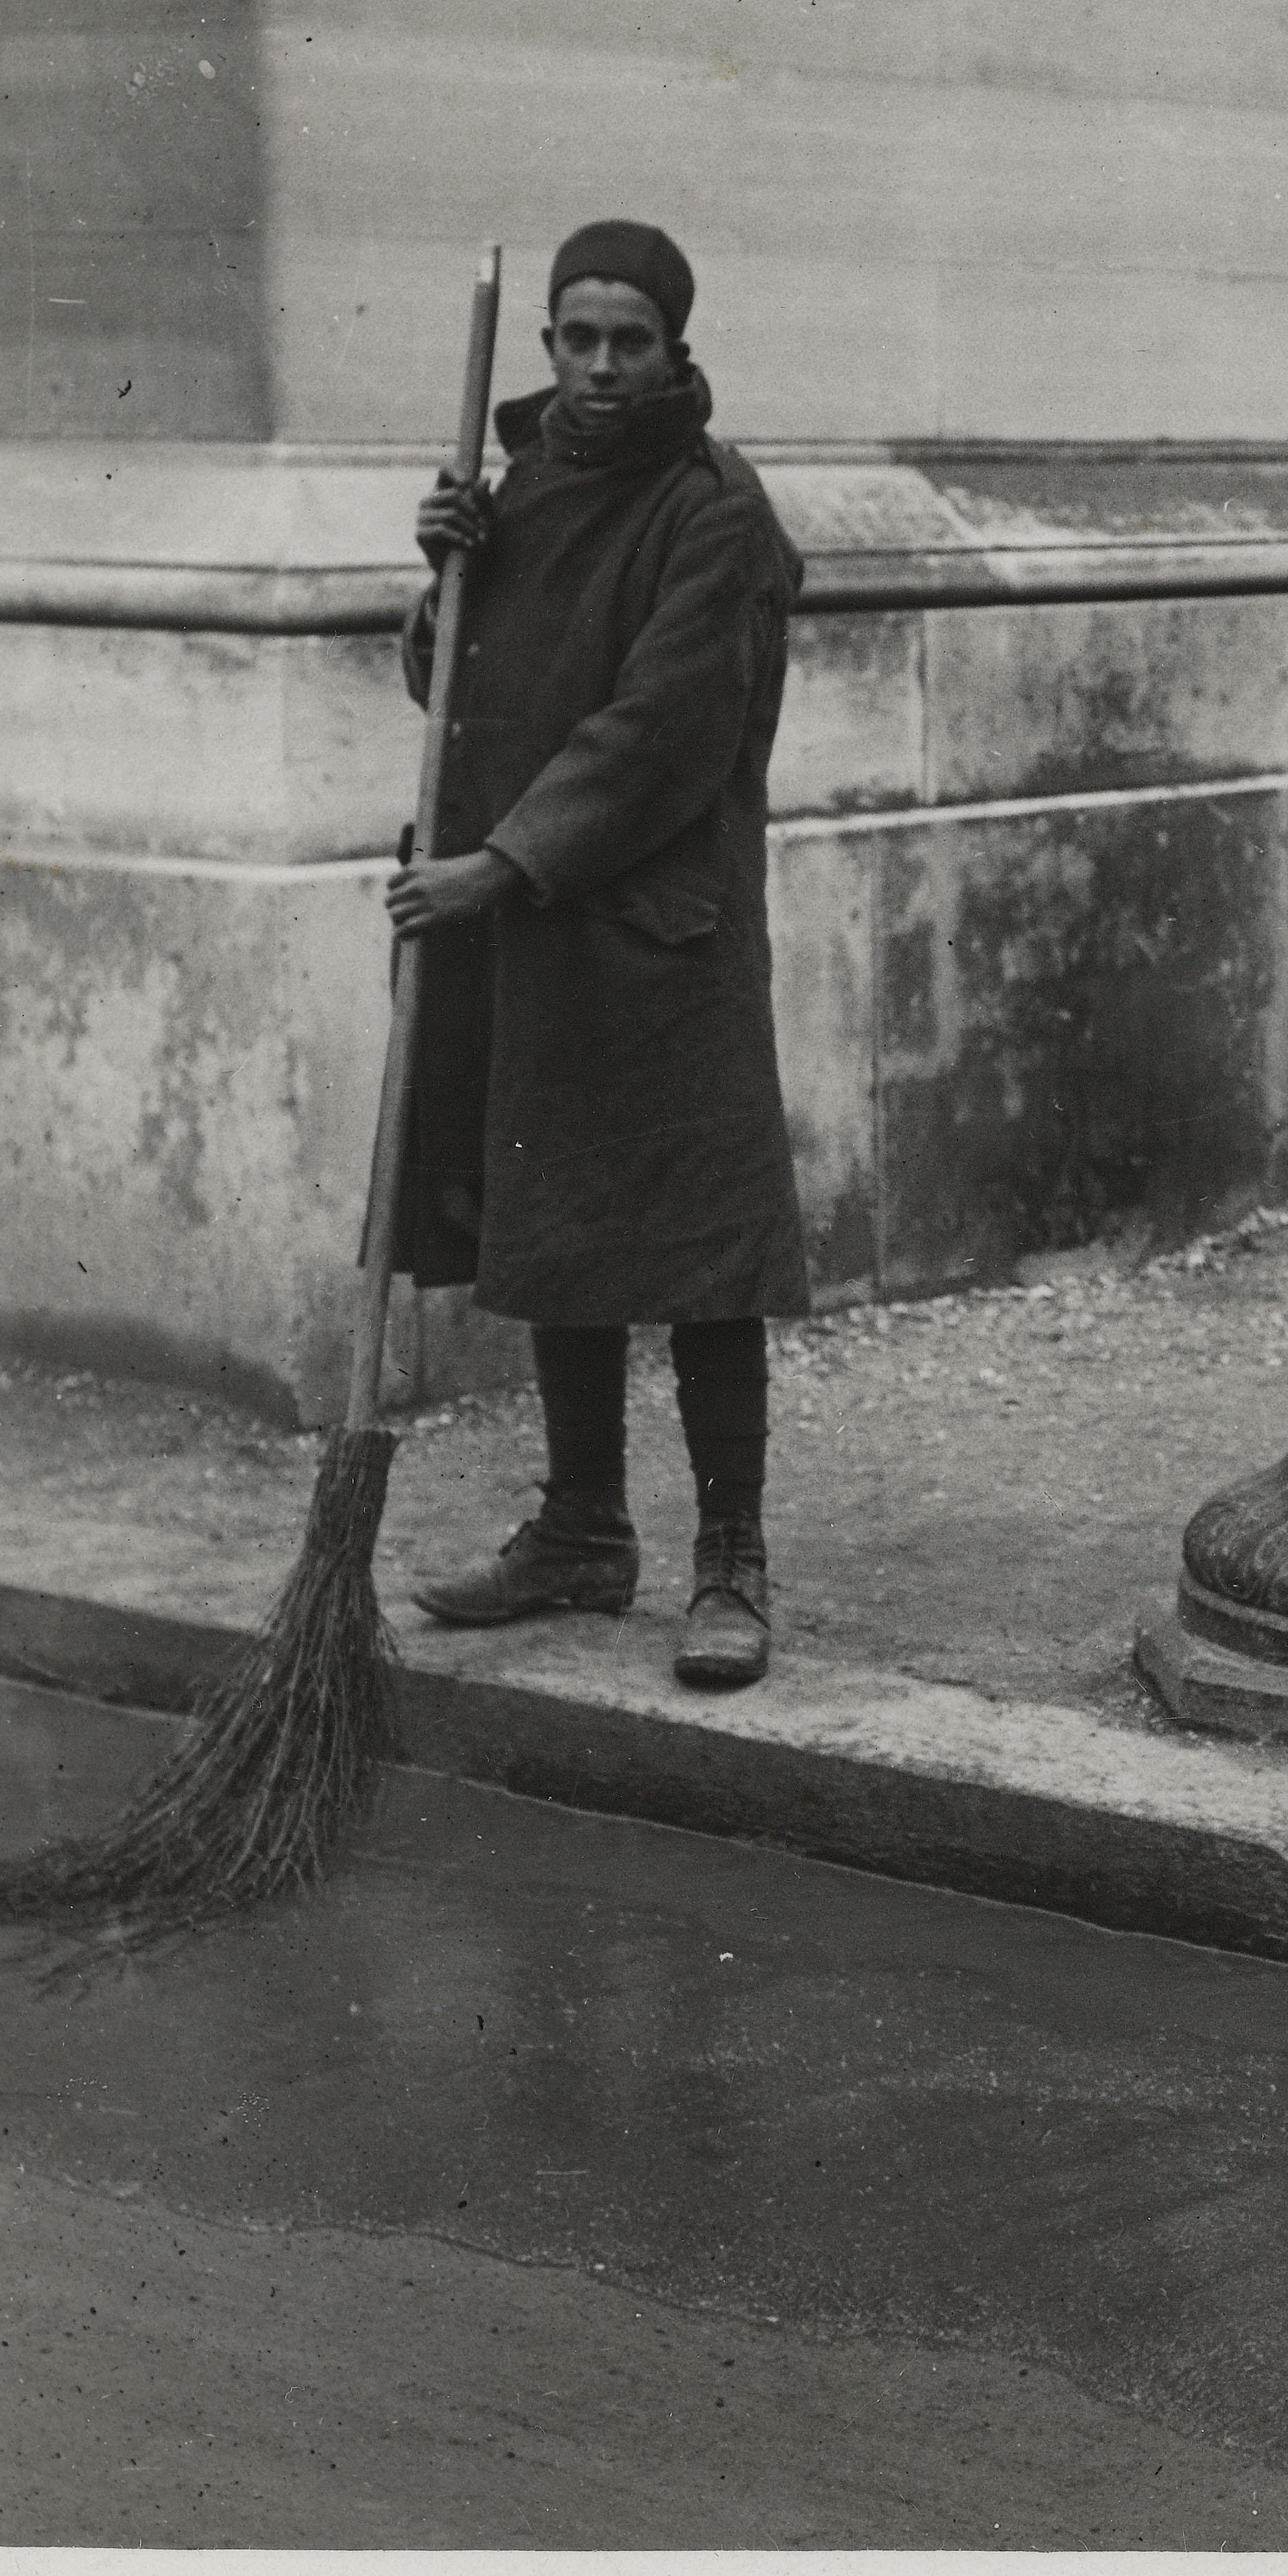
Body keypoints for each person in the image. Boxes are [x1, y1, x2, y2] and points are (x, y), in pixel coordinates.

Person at [385, 218, 812, 1689]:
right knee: (556, 1221)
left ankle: (732, 1561)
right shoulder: (520, 487)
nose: (607, 365)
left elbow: (664, 732)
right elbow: (466, 690)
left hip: (654, 928)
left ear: (679, 347)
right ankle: (580, 1530)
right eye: (580, 337)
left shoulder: (718, 516)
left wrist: (499, 867)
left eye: (634, 339)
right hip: (531, 924)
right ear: (549, 343)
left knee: (702, 1250)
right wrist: (440, 589)